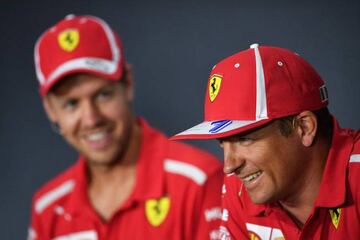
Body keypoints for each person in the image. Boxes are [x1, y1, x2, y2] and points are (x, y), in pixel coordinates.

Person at [28, 14, 223, 240]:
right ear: (51, 110)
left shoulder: (199, 182)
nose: (91, 119)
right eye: (71, 104)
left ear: (128, 84)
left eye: (103, 95)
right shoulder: (48, 208)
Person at [172, 44, 360, 239]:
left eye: (244, 139)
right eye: (223, 144)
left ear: (304, 128)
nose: (229, 166)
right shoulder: (239, 190)